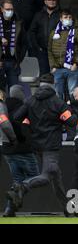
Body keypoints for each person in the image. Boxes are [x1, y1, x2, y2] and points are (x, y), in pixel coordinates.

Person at [8, 74, 78, 216]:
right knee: (46, 177)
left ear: (40, 85)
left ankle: (68, 209)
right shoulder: (58, 102)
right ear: (53, 84)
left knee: (56, 175)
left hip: (37, 145)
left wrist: (30, 122)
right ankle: (22, 186)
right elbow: (72, 122)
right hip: (51, 145)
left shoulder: (30, 100)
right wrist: (71, 112)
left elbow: (16, 118)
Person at [48, 9, 78, 100]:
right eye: (65, 17)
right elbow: (49, 51)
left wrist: (76, 63)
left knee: (73, 94)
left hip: (72, 68)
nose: (68, 19)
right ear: (61, 19)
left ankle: (72, 112)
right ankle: (59, 113)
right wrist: (52, 66)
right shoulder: (54, 33)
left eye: (70, 17)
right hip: (58, 69)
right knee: (58, 94)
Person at [1, 87, 28, 217]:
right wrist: (15, 139)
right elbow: (8, 124)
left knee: (18, 179)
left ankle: (9, 210)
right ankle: (15, 194)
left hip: (6, 148)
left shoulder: (5, 106)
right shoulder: (22, 106)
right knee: (35, 176)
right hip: (21, 147)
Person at [29, 0, 60, 76]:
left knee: (57, 77)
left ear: (56, 2)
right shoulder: (38, 15)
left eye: (53, 0)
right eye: (49, 0)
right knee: (44, 76)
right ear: (45, 1)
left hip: (57, 52)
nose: (51, 2)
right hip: (42, 51)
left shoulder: (61, 15)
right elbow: (32, 32)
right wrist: (37, 47)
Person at [0, 0, 25, 92]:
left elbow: (24, 43)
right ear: (1, 9)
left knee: (14, 90)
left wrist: (19, 59)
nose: (9, 11)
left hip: (13, 62)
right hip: (0, 62)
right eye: (7, 9)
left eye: (11, 9)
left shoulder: (18, 23)